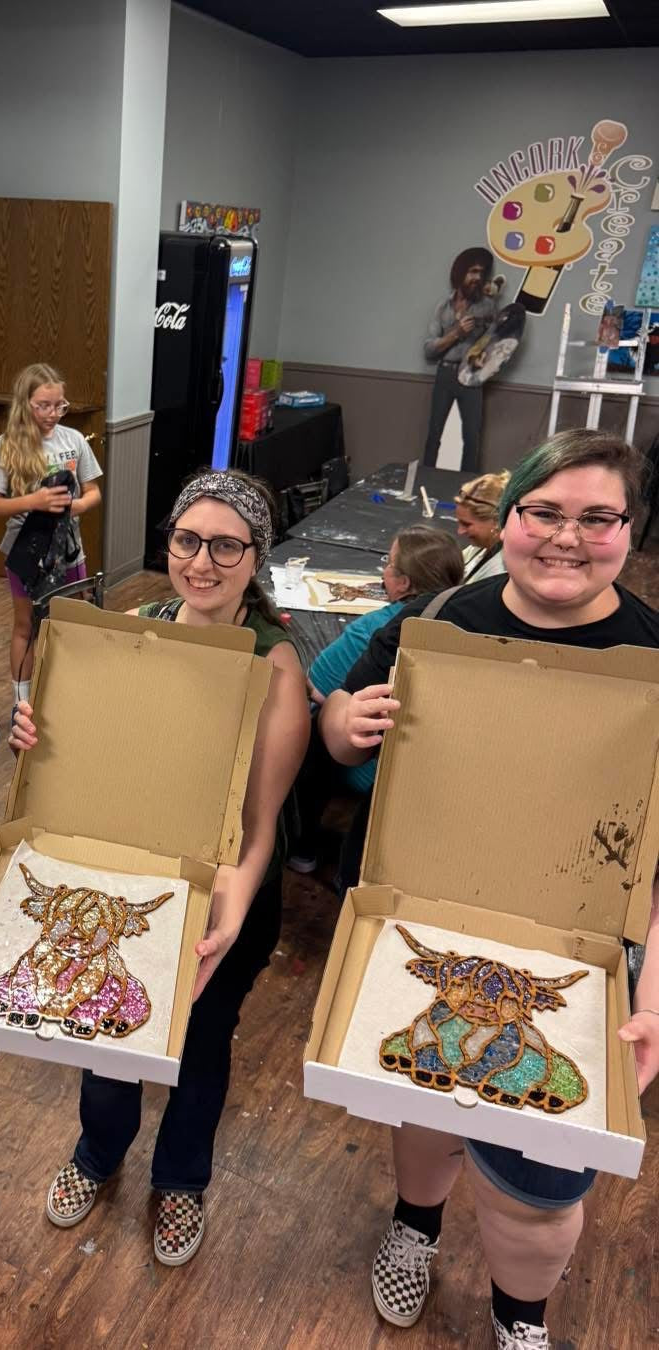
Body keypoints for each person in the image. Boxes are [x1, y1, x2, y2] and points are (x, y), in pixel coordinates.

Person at [318, 430, 659, 1348]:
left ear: (632, 532)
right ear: (509, 521)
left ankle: (521, 1317)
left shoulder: (652, 663)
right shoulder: (436, 622)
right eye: (544, 512)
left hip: (575, 957)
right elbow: (338, 731)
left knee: (544, 1179)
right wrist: (347, 721)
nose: (566, 537)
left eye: (598, 518)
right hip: (422, 927)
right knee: (430, 1091)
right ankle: (416, 1225)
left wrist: (655, 994)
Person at [11, 469, 309, 1266]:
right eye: (187, 539)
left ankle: (179, 1181)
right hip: (130, 878)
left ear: (256, 555)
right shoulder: (136, 626)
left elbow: (260, 823)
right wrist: (43, 735)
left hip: (224, 891)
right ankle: (97, 1153)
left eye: (225, 545)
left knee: (199, 1044)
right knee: (106, 1028)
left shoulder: (275, 662)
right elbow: (96, 758)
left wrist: (232, 909)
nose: (201, 562)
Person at [287, 525, 464, 876]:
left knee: (311, 721)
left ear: (404, 584)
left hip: (372, 766)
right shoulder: (465, 622)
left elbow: (316, 689)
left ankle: (299, 845)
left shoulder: (378, 628)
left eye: (389, 562)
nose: (383, 570)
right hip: (437, 767)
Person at [0, 363, 103, 710]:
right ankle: (22, 701)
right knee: (26, 626)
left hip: (69, 551)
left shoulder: (73, 440)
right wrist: (34, 501)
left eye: (59, 405)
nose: (52, 414)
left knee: (73, 621)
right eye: (43, 405)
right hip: (27, 553)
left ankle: (69, 692)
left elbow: (94, 492)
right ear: (24, 404)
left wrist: (77, 506)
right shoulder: (4, 447)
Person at [422, 247, 497, 471]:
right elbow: (428, 349)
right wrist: (456, 333)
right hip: (445, 373)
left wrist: (485, 357)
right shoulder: (442, 307)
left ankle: (466, 492)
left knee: (472, 438)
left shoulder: (488, 306)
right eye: (472, 271)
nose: (477, 278)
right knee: (435, 434)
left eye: (481, 273)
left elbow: (496, 342)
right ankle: (426, 483)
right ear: (460, 273)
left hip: (472, 376)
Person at [456, 470, 510, 582]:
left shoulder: (497, 573)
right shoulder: (482, 544)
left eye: (466, 524)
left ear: (496, 521)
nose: (460, 531)